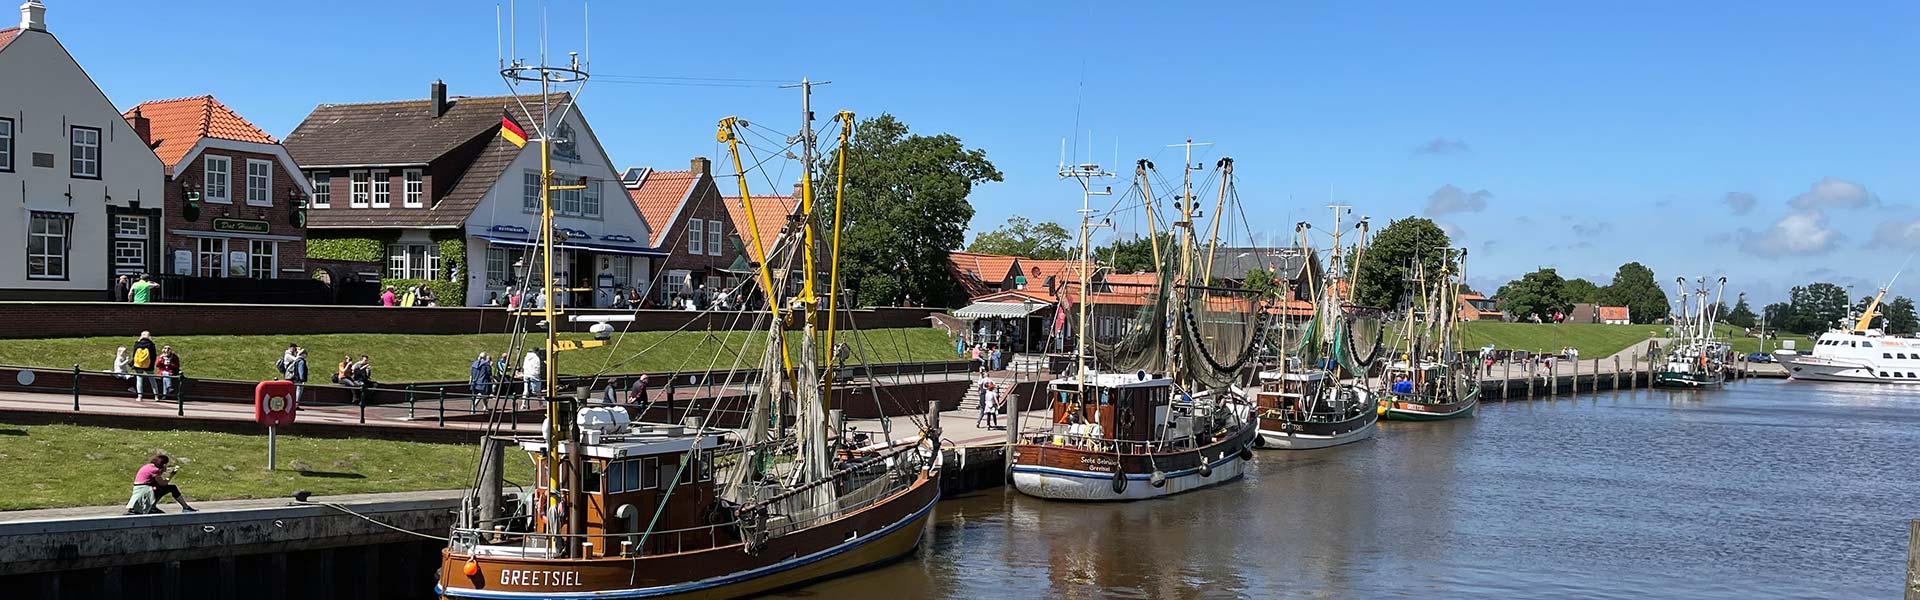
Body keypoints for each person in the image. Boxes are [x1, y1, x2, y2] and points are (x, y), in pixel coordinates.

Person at [126, 454, 196, 514]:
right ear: (164, 464)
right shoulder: (154, 470)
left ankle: (151, 506)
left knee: (159, 488)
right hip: (145, 490)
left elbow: (155, 481)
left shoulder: (149, 466)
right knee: (172, 488)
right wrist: (171, 475)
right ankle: (185, 507)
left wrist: (162, 471)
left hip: (141, 488)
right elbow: (163, 483)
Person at [131, 331, 158, 401]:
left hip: (139, 365)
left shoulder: (137, 344)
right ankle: (156, 396)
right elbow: (154, 356)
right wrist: (151, 365)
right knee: (152, 380)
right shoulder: (151, 344)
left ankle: (140, 396)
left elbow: (134, 355)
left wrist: (134, 363)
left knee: (139, 380)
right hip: (148, 365)